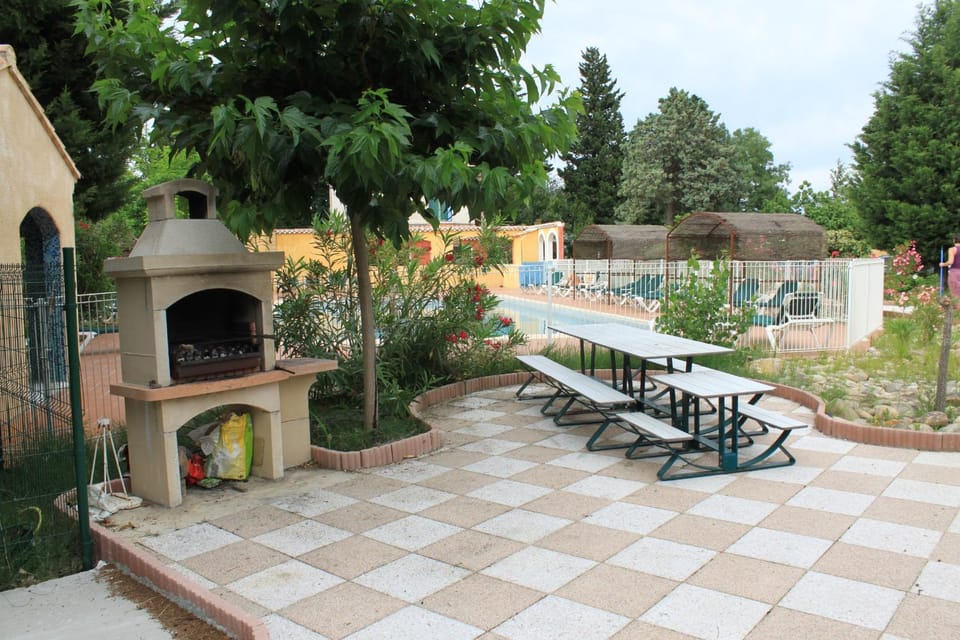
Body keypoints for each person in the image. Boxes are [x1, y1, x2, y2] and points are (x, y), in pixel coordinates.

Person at [939, 234, 960, 308]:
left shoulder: (952, 249)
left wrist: (943, 264)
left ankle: (957, 308)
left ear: (954, 240)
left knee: (955, 291)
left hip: (955, 271)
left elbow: (951, 262)